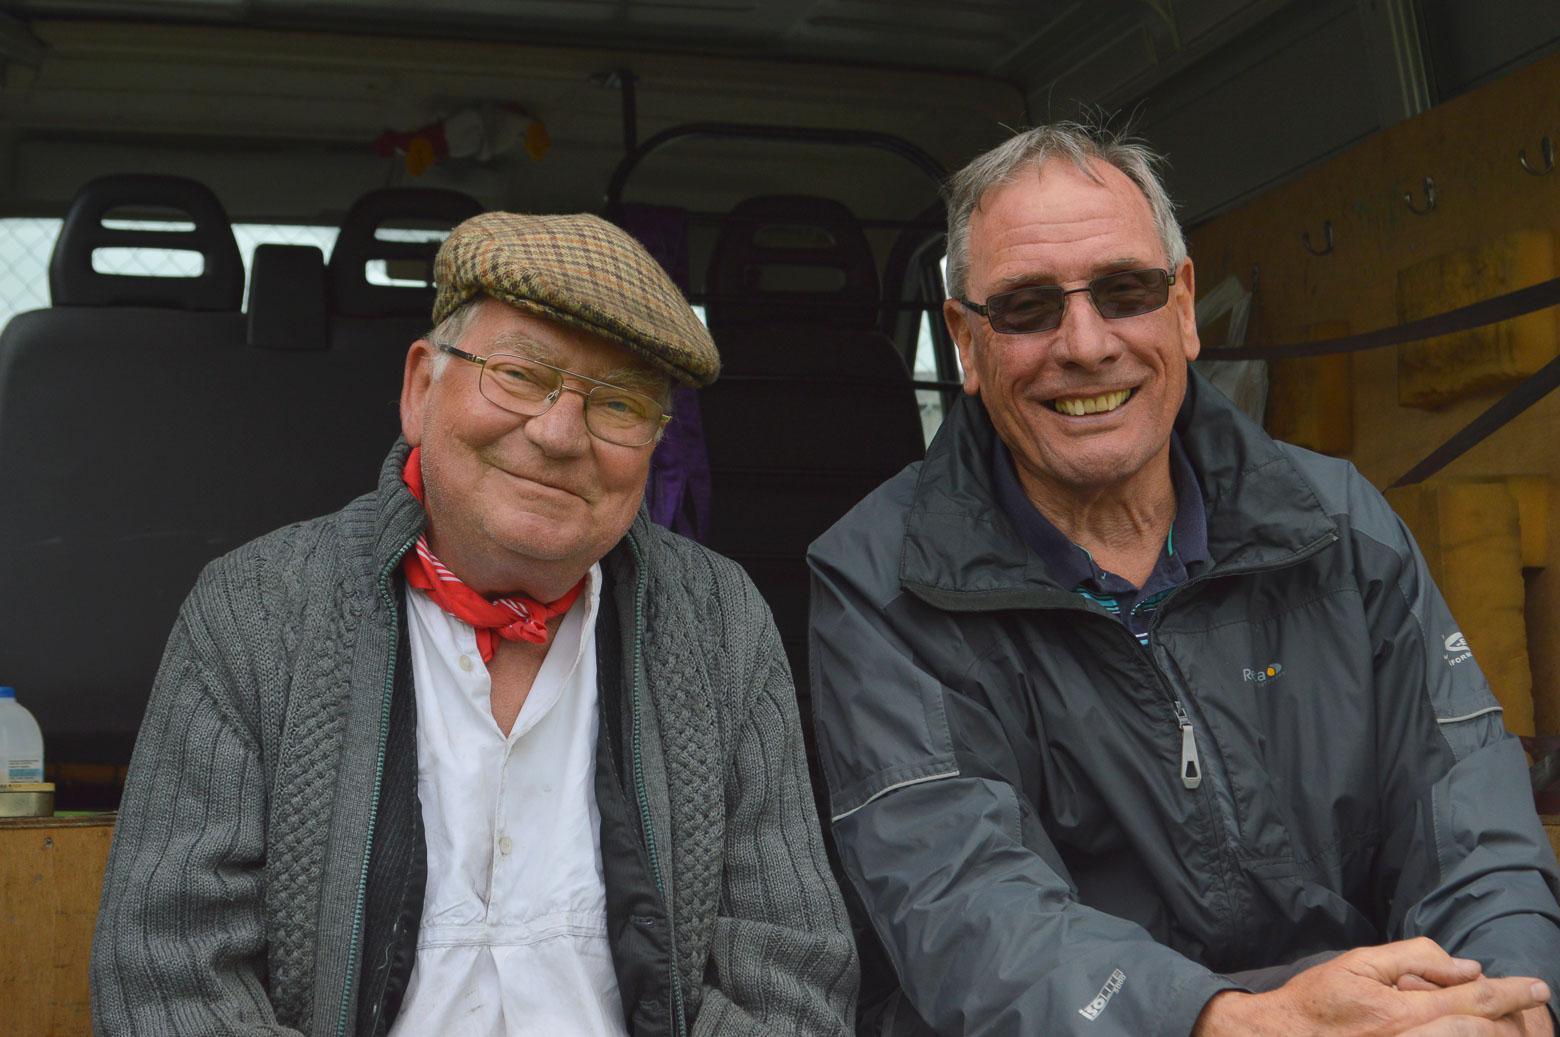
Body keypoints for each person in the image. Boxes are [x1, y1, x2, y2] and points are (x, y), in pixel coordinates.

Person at [807, 123, 1560, 1037]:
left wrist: (1507, 1007)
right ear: (966, 341)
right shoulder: (878, 584)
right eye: (1028, 308)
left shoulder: (1340, 525)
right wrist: (1234, 1022)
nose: (1086, 344)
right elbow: (967, 911)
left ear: (1185, 305)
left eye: (1125, 291)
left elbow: (1473, 827)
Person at [92, 211, 858, 1036]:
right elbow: (166, 980)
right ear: (422, 389)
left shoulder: (720, 625)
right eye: (520, 374)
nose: (560, 434)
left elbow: (792, 980)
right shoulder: (254, 612)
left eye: (619, 403)